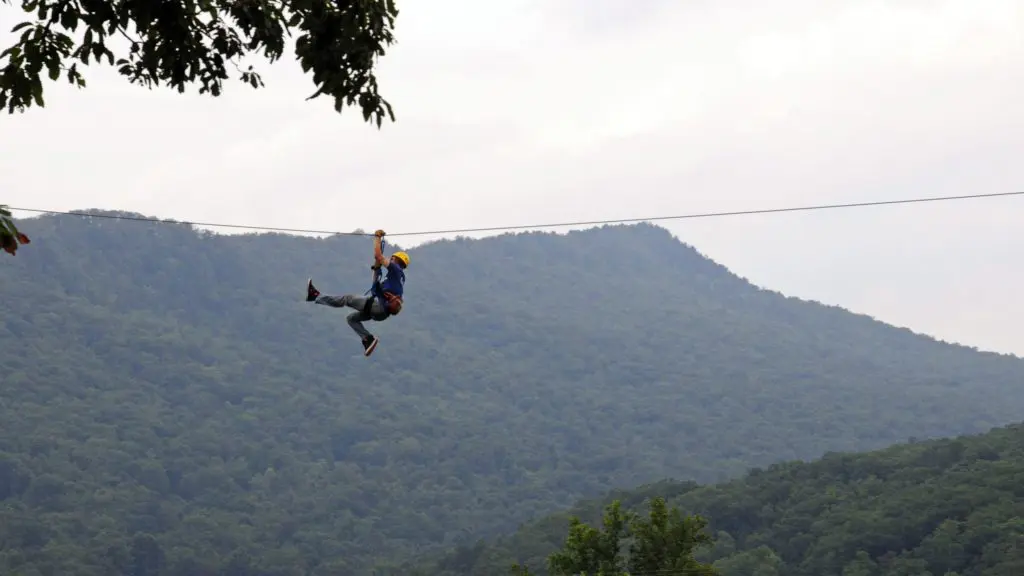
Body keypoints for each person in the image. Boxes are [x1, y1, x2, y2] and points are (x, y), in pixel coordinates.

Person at [306, 230, 409, 357]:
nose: (390, 259)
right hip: (381, 314)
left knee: (347, 299)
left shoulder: (396, 269)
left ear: (396, 260)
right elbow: (375, 280)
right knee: (351, 319)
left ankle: (315, 296)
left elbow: (379, 256)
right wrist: (376, 267)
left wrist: (377, 238)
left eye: (392, 258)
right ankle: (368, 339)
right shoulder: (397, 280)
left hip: (378, 307)